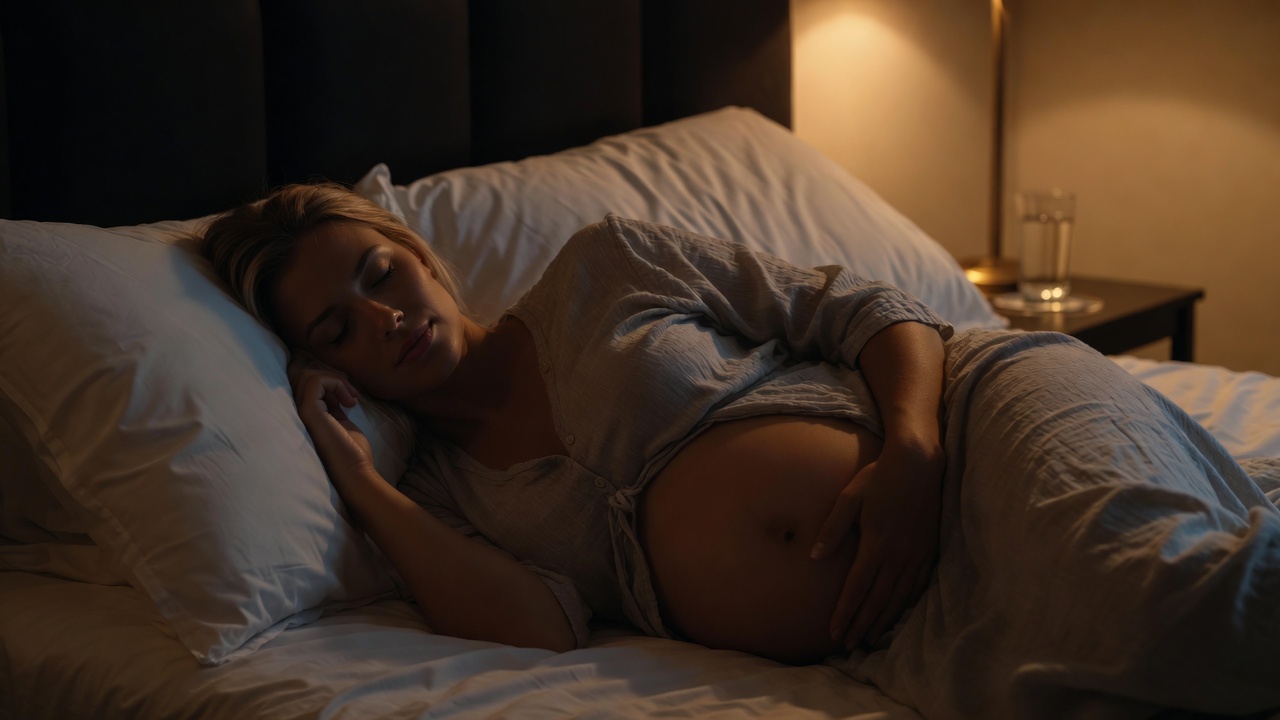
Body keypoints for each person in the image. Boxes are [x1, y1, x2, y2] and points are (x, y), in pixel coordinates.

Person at [203, 182, 1280, 718]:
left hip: (968, 427)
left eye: (376, 278)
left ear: (415, 255)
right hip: (890, 623)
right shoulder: (436, 494)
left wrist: (908, 453)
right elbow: (536, 628)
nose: (380, 321)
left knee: (1176, 607)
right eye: (335, 329)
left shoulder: (601, 267)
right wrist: (353, 475)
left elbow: (866, 308)